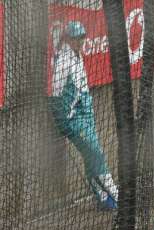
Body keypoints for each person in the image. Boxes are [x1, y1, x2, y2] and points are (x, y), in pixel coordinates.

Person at [50, 21, 118, 210]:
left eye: (82, 37)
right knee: (96, 154)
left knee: (91, 157)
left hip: (86, 115)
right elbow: (55, 95)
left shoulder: (77, 55)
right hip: (73, 119)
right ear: (68, 39)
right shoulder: (63, 62)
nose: (80, 41)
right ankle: (116, 195)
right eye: (76, 38)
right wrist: (63, 121)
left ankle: (104, 199)